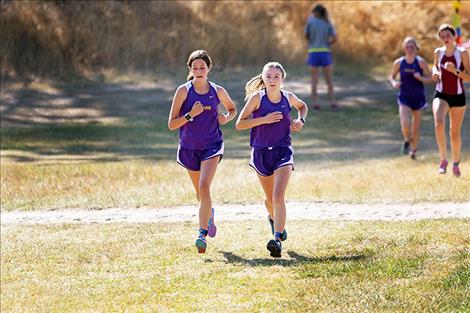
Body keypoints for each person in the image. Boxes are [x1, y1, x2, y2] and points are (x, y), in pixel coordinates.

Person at [235, 62, 308, 258]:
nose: (272, 80)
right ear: (263, 78)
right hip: (260, 152)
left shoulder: (287, 97)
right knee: (269, 200)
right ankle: (275, 221)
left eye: (276, 76)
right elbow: (240, 124)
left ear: (282, 79)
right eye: (269, 76)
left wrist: (300, 120)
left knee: (278, 196)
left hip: (283, 150)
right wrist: (263, 119)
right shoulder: (256, 99)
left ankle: (276, 239)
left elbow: (302, 107)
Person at [168, 49, 237, 253]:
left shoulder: (218, 91)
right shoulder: (183, 91)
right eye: (195, 67)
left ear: (209, 68)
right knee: (200, 192)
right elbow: (172, 124)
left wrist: (226, 117)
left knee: (204, 187)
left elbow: (232, 109)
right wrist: (190, 115)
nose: (199, 70)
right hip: (189, 147)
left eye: (202, 67)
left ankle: (201, 235)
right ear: (190, 69)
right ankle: (209, 215)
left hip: (212, 145)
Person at [431, 24, 469, 177]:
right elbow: (435, 67)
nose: (445, 38)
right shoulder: (438, 52)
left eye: (448, 35)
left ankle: (456, 163)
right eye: (442, 36)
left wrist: (455, 71)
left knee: (454, 134)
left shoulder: (462, 54)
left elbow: (469, 77)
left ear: (454, 37)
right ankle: (443, 160)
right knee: (439, 123)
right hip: (441, 94)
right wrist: (435, 73)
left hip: (458, 97)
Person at [389, 37, 433, 159]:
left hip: (418, 97)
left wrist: (421, 78)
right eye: (407, 47)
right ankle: (407, 140)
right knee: (405, 122)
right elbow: (391, 76)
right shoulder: (399, 62)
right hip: (404, 96)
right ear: (404, 48)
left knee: (416, 127)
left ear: (416, 49)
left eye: (412, 47)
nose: (409, 49)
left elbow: (431, 79)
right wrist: (394, 83)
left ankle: (413, 151)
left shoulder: (421, 62)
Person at [305, 3, 338, 111]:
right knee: (329, 80)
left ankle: (315, 104)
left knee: (314, 81)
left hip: (313, 53)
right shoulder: (328, 22)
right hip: (325, 53)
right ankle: (333, 102)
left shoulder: (310, 21)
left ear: (316, 12)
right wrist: (327, 43)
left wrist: (312, 42)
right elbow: (334, 38)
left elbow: (307, 36)